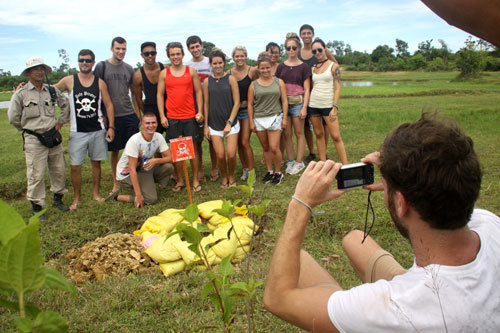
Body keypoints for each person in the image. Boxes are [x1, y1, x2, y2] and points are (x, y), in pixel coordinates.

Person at [263, 113, 500, 331]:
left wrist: (299, 205)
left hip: (419, 301)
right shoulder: (489, 224)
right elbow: (448, 190)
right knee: (355, 240)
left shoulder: (393, 308)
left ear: (402, 203)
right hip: (445, 289)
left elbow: (278, 299)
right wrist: (399, 174)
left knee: (300, 260)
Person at [8, 57, 70, 220]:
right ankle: (37, 206)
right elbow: (13, 116)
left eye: (41, 69)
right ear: (29, 72)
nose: (39, 72)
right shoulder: (21, 93)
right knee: (36, 173)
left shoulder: (52, 91)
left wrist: (60, 123)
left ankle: (58, 199)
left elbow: (65, 104)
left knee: (59, 169)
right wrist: (27, 129)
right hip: (34, 139)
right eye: (35, 69)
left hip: (53, 136)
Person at [54, 49, 115, 211]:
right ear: (78, 62)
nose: (84, 63)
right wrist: (27, 87)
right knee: (75, 166)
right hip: (77, 131)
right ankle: (77, 198)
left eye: (88, 60)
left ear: (93, 62)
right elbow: (50, 91)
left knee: (96, 163)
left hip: (97, 130)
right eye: (81, 60)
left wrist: (110, 126)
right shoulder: (69, 81)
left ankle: (95, 193)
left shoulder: (100, 82)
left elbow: (108, 105)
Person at [94, 36, 139, 196]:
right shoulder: (102, 67)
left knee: (134, 149)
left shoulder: (128, 68)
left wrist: (137, 113)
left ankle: (134, 177)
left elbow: (134, 93)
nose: (121, 51)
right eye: (118, 48)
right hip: (112, 117)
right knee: (115, 151)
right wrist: (103, 116)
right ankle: (116, 181)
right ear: (112, 48)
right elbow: (96, 92)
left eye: (124, 49)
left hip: (129, 113)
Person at [157, 42, 204, 193]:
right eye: (172, 54)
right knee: (177, 151)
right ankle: (180, 180)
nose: (175, 56)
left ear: (183, 55)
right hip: (172, 117)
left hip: (190, 116)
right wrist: (162, 116)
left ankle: (195, 179)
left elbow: (198, 92)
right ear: (169, 56)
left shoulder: (191, 72)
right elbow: (159, 95)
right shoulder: (165, 73)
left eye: (178, 53)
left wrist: (200, 111)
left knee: (193, 149)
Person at [114, 112, 174, 208]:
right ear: (142, 124)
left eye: (153, 123)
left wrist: (155, 161)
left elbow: (170, 158)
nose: (151, 126)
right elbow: (132, 170)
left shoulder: (158, 136)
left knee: (168, 167)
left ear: (157, 123)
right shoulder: (134, 141)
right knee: (151, 199)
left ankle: (149, 185)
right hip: (126, 175)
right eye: (147, 123)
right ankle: (120, 197)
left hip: (144, 168)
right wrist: (138, 195)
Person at [299, 24, 338, 164]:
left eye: (309, 33)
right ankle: (312, 152)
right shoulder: (298, 52)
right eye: (303, 33)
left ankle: (323, 152)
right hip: (304, 93)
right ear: (300, 36)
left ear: (313, 34)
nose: (306, 35)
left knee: (324, 125)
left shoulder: (320, 50)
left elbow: (335, 65)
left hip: (320, 94)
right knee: (307, 127)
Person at [248, 52, 288, 185]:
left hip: (275, 116)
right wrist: (251, 121)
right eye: (262, 68)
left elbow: (284, 101)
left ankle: (278, 172)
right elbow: (250, 104)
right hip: (259, 118)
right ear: (258, 69)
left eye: (267, 67)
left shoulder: (279, 82)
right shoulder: (253, 85)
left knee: (274, 147)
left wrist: (285, 119)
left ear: (271, 67)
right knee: (265, 147)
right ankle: (269, 171)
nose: (265, 70)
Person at [203, 49, 240, 189]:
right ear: (211, 64)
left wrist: (229, 123)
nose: (217, 66)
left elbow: (237, 102)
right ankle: (224, 177)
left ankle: (231, 176)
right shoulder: (207, 81)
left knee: (230, 154)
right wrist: (206, 125)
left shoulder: (231, 79)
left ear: (224, 63)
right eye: (214, 63)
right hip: (213, 124)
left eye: (220, 63)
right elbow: (206, 103)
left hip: (231, 123)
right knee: (219, 155)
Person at [276, 33, 311, 176]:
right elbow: (277, 85)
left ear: (298, 48)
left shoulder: (304, 67)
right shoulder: (281, 67)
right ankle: (290, 160)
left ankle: (299, 161)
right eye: (288, 48)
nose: (291, 50)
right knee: (287, 134)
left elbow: (307, 88)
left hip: (298, 103)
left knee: (299, 133)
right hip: (284, 104)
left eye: (294, 47)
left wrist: (304, 107)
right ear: (285, 49)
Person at [308, 38, 348, 164]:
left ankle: (346, 165)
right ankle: (323, 162)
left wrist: (334, 107)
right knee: (319, 134)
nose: (317, 52)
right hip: (313, 105)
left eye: (319, 49)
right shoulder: (313, 67)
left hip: (328, 105)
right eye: (314, 51)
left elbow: (337, 88)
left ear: (325, 49)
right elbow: (313, 86)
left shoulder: (333, 66)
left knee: (336, 136)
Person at [185, 35, 218, 184]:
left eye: (197, 46)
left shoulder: (209, 62)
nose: (195, 49)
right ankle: (199, 170)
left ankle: (214, 168)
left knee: (213, 139)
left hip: (211, 103)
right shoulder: (187, 66)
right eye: (192, 47)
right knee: (196, 141)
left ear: (202, 46)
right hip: (194, 105)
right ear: (188, 49)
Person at [227, 45, 258, 181]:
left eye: (242, 55)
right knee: (238, 142)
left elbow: (259, 87)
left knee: (245, 141)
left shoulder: (252, 71)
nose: (239, 58)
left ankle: (252, 172)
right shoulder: (229, 73)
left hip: (247, 110)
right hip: (234, 111)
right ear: (233, 58)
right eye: (237, 56)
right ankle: (245, 169)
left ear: (245, 56)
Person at [132, 42, 165, 133]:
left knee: (175, 140)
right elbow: (138, 99)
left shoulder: (165, 69)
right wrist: (146, 113)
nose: (150, 56)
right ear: (142, 55)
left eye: (152, 53)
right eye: (146, 54)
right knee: (153, 142)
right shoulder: (138, 76)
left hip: (168, 108)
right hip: (151, 108)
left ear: (156, 53)